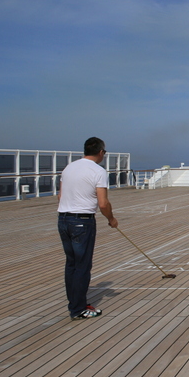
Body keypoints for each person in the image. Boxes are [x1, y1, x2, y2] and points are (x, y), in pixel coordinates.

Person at [57, 137, 118, 319]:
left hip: (63, 220)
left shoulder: (69, 168)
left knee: (71, 264)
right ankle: (78, 309)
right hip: (82, 222)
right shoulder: (98, 171)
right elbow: (103, 203)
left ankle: (75, 304)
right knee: (82, 266)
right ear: (100, 152)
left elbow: (60, 196)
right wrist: (111, 219)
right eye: (104, 152)